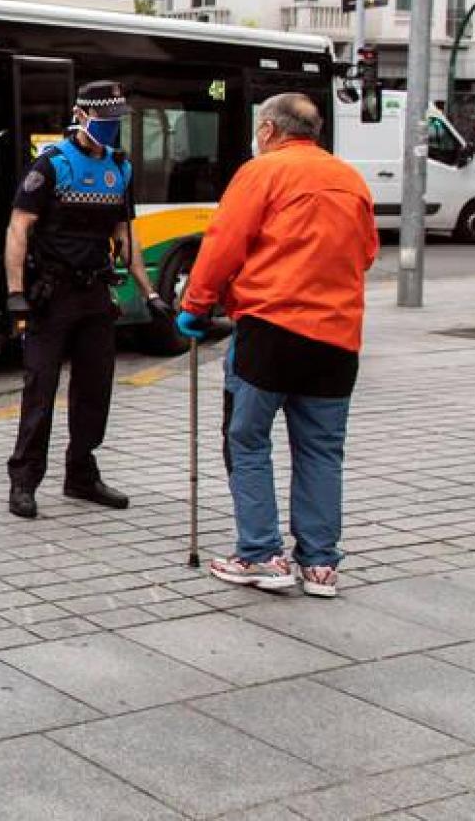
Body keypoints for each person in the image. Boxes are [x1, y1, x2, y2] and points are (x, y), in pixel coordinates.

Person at [176, 93, 378, 597]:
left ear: (268, 130)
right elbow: (366, 253)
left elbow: (224, 243)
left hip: (271, 330)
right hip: (337, 337)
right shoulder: (350, 180)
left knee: (247, 440)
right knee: (322, 450)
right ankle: (320, 565)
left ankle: (262, 554)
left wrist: (196, 305)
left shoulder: (262, 172)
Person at [3, 81, 161, 519]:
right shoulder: (52, 165)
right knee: (41, 389)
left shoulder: (119, 168)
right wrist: (15, 293)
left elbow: (124, 235)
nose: (111, 128)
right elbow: (19, 228)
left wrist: (150, 293)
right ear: (80, 115)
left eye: (116, 121)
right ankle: (24, 481)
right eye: (104, 120)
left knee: (95, 389)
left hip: (95, 295)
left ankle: (81, 475)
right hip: (52, 295)